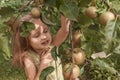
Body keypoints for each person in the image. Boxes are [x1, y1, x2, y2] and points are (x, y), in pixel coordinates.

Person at [12, 13, 70, 80]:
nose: (44, 37)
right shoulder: (29, 58)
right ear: (27, 41)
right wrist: (43, 64)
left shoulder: (51, 46)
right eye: (37, 35)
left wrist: (64, 11)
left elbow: (64, 31)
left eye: (45, 31)